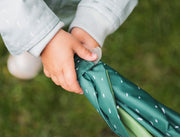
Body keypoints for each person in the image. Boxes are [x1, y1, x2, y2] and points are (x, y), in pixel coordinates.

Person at [0, 0, 138, 94]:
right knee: (32, 40)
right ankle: (32, 49)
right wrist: (43, 38)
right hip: (26, 13)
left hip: (70, 5)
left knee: (63, 19)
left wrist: (91, 22)